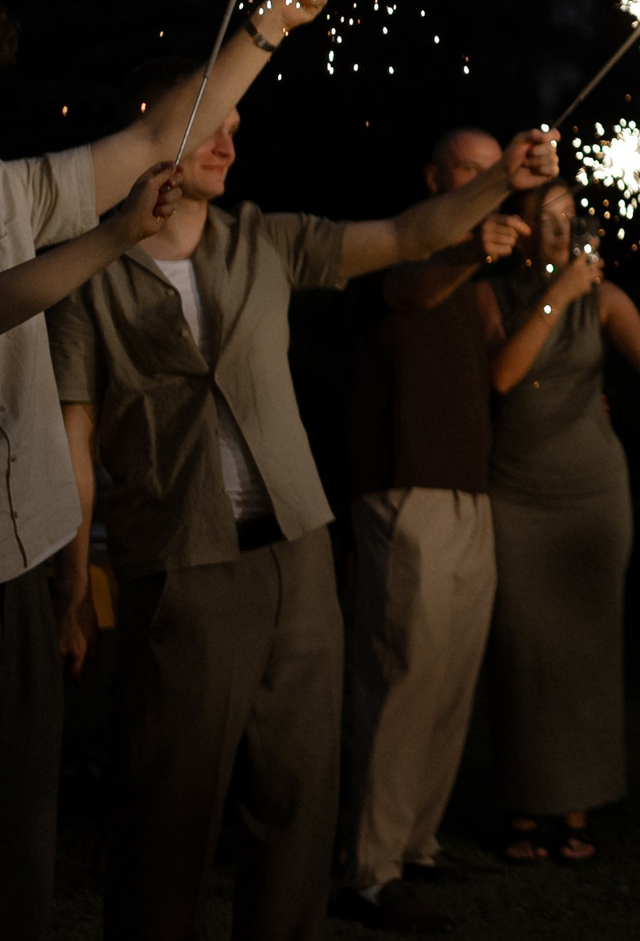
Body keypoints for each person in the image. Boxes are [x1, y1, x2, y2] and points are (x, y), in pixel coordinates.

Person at [47, 59, 556, 941]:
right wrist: (72, 590)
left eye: (238, 125)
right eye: (213, 122)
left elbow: (402, 236)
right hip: (180, 561)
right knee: (170, 806)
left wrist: (499, 186)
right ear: (154, 127)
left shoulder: (264, 240)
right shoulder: (92, 273)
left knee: (298, 795)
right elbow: (76, 442)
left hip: (297, 550)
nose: (230, 139)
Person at [0, 0, 330, 941]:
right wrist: (109, 241)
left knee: (20, 828)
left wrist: (270, 23)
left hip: (16, 553)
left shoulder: (17, 186)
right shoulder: (71, 237)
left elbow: (156, 134)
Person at [478, 176, 640, 864]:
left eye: (571, 219)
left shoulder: (604, 296)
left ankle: (575, 804)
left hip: (593, 489)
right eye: (549, 220)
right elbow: (503, 374)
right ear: (523, 226)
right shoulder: (492, 291)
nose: (564, 232)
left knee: (587, 652)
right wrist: (557, 294)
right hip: (517, 492)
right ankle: (521, 803)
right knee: (524, 651)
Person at [336, 128, 529, 929]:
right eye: (470, 171)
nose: (486, 183)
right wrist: (467, 253)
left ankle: (417, 842)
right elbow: (409, 292)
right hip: (402, 484)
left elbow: (500, 370)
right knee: (400, 678)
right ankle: (364, 868)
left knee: (451, 677)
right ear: (434, 176)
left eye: (495, 173)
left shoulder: (479, 275)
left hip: (468, 488)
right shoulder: (400, 248)